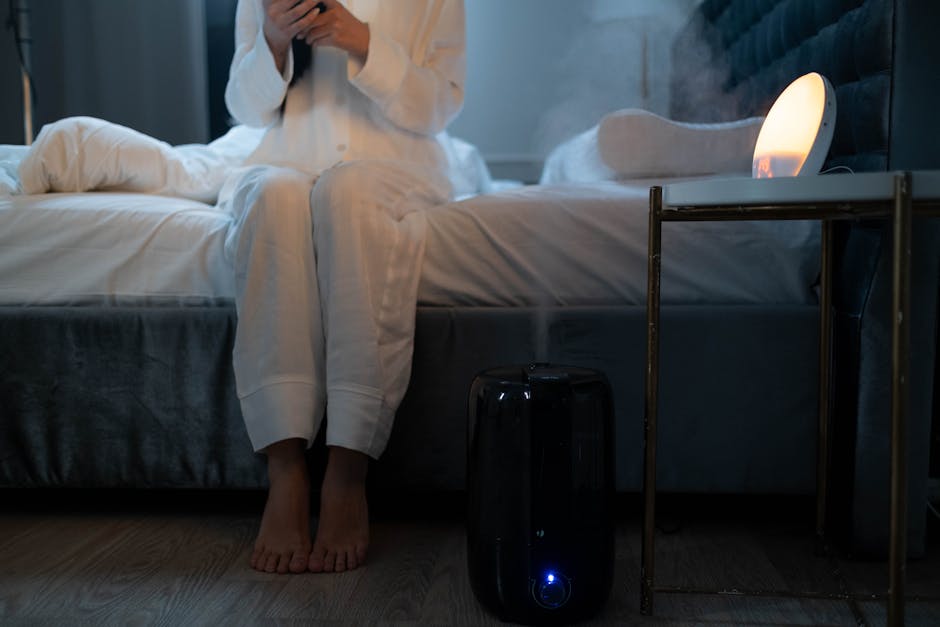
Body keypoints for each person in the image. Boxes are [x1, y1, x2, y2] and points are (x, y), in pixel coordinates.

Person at [222, 0, 466, 574]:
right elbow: (242, 108)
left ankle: (347, 472)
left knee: (348, 193)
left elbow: (441, 106)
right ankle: (284, 471)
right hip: (287, 156)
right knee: (272, 198)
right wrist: (275, 40)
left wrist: (364, 43)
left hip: (396, 165)